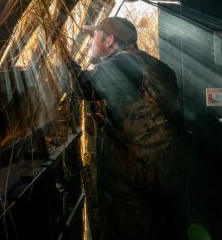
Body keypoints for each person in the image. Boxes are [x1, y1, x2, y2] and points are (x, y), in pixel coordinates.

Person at [68, 16, 184, 240]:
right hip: (168, 174)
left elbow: (85, 87)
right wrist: (110, 125)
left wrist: (64, 59)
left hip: (142, 176)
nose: (90, 41)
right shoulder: (155, 66)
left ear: (109, 40)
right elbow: (150, 116)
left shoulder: (124, 62)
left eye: (94, 36)